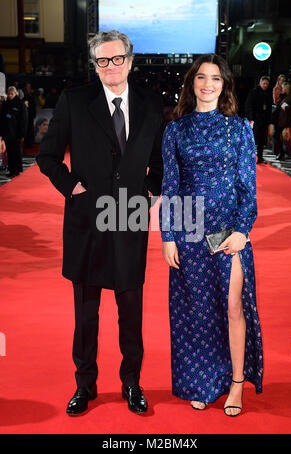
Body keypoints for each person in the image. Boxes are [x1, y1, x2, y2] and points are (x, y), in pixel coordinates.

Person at [36, 30, 163, 416]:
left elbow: (157, 161)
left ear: (131, 59)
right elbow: (47, 157)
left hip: (130, 219)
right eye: (102, 61)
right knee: (86, 314)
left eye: (117, 59)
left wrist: (150, 191)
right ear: (94, 65)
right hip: (86, 223)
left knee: (131, 312)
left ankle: (132, 384)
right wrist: (71, 186)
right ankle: (85, 386)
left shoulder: (151, 104)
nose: (111, 67)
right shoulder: (75, 101)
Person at [160, 54, 263, 417]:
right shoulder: (176, 129)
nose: (207, 84)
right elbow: (170, 186)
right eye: (201, 77)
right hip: (188, 231)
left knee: (233, 306)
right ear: (191, 83)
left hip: (227, 231)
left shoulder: (238, 129)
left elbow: (247, 187)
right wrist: (168, 235)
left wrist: (241, 230)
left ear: (225, 85)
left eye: (216, 78)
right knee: (199, 311)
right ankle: (206, 381)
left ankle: (236, 383)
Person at [0, 86, 28, 177]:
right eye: (9, 94)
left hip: (16, 133)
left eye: (12, 94)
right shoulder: (6, 104)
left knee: (16, 152)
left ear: (15, 94)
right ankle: (11, 170)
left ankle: (17, 169)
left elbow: (24, 120)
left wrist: (22, 134)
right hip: (7, 133)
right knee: (9, 152)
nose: (10, 95)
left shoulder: (20, 104)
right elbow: (2, 119)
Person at [244, 76, 273, 164]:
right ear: (260, 83)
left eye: (267, 84)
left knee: (261, 140)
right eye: (264, 83)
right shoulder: (253, 92)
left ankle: (260, 157)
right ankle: (248, 158)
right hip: (255, 119)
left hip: (264, 120)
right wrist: (251, 118)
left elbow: (269, 107)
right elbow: (248, 105)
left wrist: (268, 119)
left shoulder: (268, 93)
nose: (265, 85)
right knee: (252, 139)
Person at [273, 82, 291, 160]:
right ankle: (281, 152)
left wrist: (287, 107)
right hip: (280, 120)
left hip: (286, 120)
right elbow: (277, 104)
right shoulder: (283, 96)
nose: (282, 89)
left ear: (286, 89)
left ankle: (282, 153)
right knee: (276, 135)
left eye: (283, 88)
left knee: (278, 135)